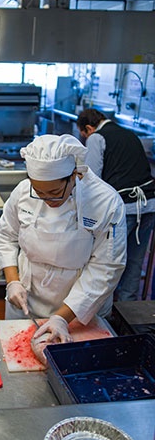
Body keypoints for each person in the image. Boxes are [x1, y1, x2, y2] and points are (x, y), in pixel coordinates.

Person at [0, 134, 126, 353]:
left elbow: (106, 267)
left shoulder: (105, 202)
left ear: (74, 175)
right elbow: (5, 235)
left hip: (81, 309)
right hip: (28, 301)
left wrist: (62, 318)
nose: (47, 200)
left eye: (54, 193)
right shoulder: (22, 191)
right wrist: (12, 282)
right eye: (39, 193)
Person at [77, 108, 155, 301]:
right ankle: (127, 308)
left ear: (88, 128)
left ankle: (106, 309)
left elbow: (91, 179)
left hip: (124, 207)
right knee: (135, 260)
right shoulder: (129, 133)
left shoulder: (97, 138)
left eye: (83, 134)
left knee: (109, 261)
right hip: (149, 204)